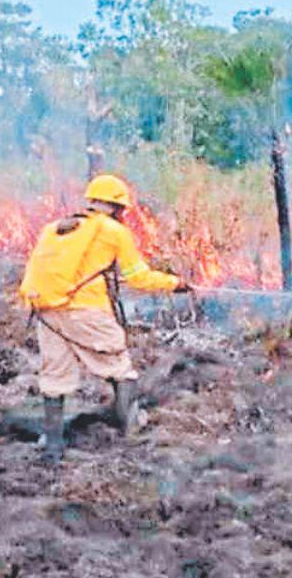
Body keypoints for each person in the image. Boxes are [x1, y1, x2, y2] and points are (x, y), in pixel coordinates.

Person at [19, 174, 191, 463]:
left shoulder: (55, 229)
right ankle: (132, 430)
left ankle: (52, 445)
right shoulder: (113, 231)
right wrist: (175, 284)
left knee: (54, 377)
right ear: (117, 207)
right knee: (119, 368)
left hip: (45, 312)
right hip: (86, 311)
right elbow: (137, 277)